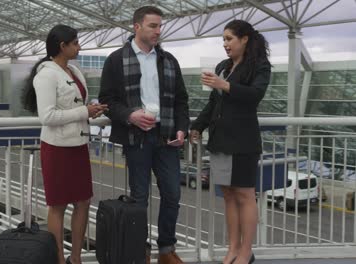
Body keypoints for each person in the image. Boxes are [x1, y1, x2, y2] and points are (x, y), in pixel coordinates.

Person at [98, 6, 190, 264]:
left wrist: (182, 128)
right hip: (135, 137)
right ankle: (140, 251)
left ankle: (166, 250)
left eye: (160, 26)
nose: (158, 31)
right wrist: (130, 115)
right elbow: (107, 100)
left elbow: (181, 100)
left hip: (167, 136)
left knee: (173, 193)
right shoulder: (116, 59)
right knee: (139, 197)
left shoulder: (169, 60)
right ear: (136, 26)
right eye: (153, 26)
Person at [22, 24, 107, 264]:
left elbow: (76, 107)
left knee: (83, 201)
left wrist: (91, 111)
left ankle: (76, 258)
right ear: (62, 46)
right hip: (57, 148)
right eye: (76, 43)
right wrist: (83, 111)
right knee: (57, 205)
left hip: (78, 145)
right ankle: (59, 259)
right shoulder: (46, 75)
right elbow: (47, 117)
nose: (79, 47)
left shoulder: (74, 71)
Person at [190, 20, 271, 264]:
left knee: (245, 194)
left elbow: (255, 96)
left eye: (229, 39)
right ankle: (233, 248)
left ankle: (246, 252)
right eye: (223, 40)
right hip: (220, 140)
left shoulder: (259, 65)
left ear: (244, 38)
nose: (225, 44)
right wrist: (197, 126)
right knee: (227, 194)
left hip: (243, 141)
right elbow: (214, 103)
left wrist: (223, 84)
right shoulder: (223, 66)